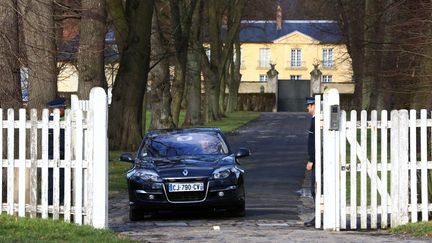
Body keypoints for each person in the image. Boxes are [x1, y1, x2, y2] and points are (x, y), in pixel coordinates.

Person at [47, 97, 66, 205]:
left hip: (57, 156)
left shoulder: (56, 121)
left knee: (58, 183)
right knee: (54, 183)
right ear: (58, 109)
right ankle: (51, 205)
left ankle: (55, 204)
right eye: (63, 107)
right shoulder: (52, 122)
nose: (64, 109)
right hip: (54, 155)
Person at [304, 96, 316, 227]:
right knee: (315, 188)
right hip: (316, 159)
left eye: (309, 105)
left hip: (317, 160)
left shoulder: (316, 120)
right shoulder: (315, 120)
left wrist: (311, 159)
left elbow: (315, 142)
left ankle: (319, 216)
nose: (307, 107)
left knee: (315, 188)